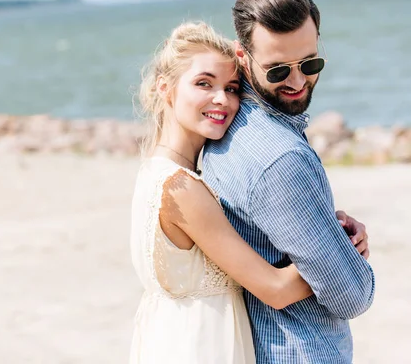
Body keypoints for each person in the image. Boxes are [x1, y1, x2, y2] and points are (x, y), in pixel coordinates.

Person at [129, 21, 368, 363]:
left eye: (232, 87)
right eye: (203, 83)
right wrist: (337, 249)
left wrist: (324, 226)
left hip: (174, 338)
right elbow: (276, 289)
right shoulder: (183, 189)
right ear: (166, 89)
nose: (221, 99)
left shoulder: (155, 171)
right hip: (201, 347)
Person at [202, 0, 375, 363]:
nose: (298, 81)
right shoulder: (278, 157)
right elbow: (352, 295)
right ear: (241, 57)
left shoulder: (223, 127)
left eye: (310, 63)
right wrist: (346, 257)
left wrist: (328, 234)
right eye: (278, 70)